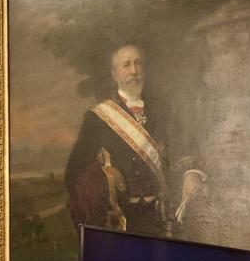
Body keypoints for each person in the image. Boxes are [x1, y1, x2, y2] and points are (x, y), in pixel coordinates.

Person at [65, 43, 205, 236]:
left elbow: (183, 147)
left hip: (164, 217)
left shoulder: (163, 110)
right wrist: (103, 180)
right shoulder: (97, 117)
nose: (134, 71)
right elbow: (75, 171)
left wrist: (192, 172)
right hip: (121, 220)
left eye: (138, 64)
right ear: (115, 74)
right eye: (127, 65)